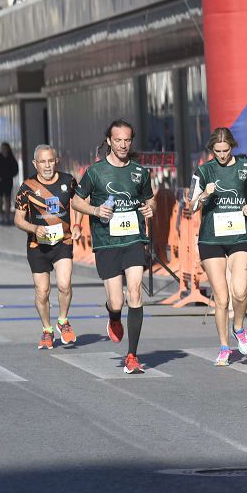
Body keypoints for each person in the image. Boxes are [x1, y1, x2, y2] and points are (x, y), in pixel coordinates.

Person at [71, 120, 155, 374]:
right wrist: (95, 209)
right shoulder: (95, 172)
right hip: (106, 242)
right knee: (117, 302)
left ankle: (132, 356)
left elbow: (150, 200)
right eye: (118, 140)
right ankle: (113, 316)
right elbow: (76, 202)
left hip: (133, 239)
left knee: (136, 294)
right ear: (109, 141)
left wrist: (151, 209)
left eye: (127, 140)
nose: (122, 144)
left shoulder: (140, 172)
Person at [190, 127, 247, 366]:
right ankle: (224, 347)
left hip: (239, 236)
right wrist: (203, 196)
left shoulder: (246, 167)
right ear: (211, 150)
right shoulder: (204, 170)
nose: (221, 155)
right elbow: (191, 207)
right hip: (211, 239)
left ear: (232, 147)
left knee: (240, 291)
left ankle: (238, 328)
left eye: (226, 150)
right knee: (221, 298)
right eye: (217, 151)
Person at [13, 144, 80, 349]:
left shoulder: (68, 181)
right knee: (42, 292)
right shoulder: (27, 187)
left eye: (50, 161)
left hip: (63, 242)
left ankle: (63, 320)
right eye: (42, 162)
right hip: (37, 245)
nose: (47, 165)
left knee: (64, 284)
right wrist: (34, 228)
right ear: (35, 164)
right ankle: (47, 329)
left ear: (56, 161)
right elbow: (18, 219)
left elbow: (77, 204)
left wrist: (76, 224)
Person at [0, 142, 19, 222]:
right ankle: (1, 214)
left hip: (8, 181)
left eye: (5, 148)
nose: (4, 149)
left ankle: (7, 216)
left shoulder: (11, 158)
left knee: (7, 198)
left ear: (8, 149)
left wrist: (9, 176)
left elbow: (16, 170)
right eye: (2, 148)